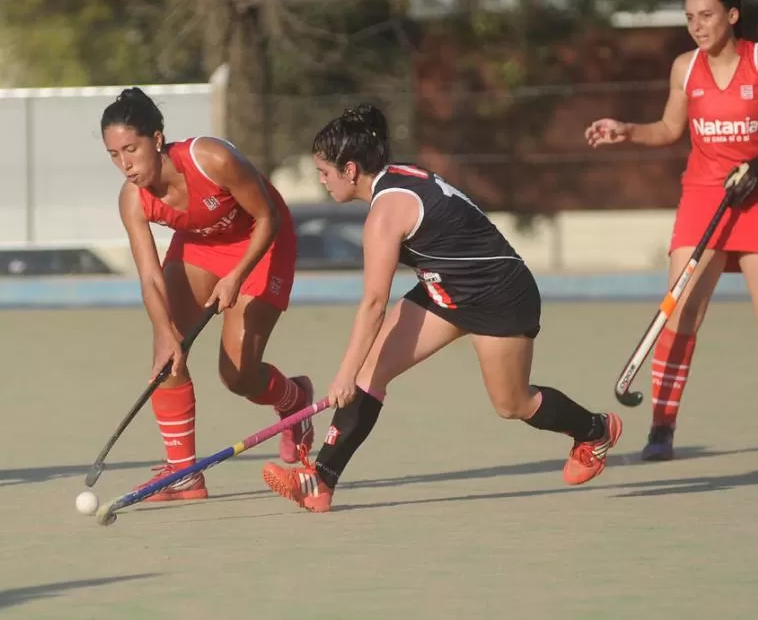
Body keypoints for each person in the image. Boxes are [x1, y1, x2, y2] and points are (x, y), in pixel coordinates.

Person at [259, 104, 623, 513]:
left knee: (513, 404)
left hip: (498, 296)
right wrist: (352, 373)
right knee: (370, 372)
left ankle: (594, 430)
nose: (322, 181)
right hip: (443, 291)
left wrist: (341, 375)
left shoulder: (384, 213)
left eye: (324, 172)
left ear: (350, 169)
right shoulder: (395, 178)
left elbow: (374, 303)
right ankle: (319, 482)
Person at [584, 0, 758, 461]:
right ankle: (661, 430)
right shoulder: (686, 67)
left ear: (732, 16)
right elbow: (669, 129)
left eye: (708, 16)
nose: (697, 26)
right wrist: (627, 130)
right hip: (704, 202)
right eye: (690, 18)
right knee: (679, 317)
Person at [100, 87, 315, 501]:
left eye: (131, 149)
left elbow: (267, 216)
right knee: (167, 354)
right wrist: (165, 334)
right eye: (114, 155)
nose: (125, 164)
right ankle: (184, 474)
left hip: (262, 240)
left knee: (237, 376)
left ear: (157, 139)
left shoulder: (211, 159)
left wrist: (237, 275)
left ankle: (294, 398)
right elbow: (149, 279)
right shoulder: (133, 200)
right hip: (202, 246)